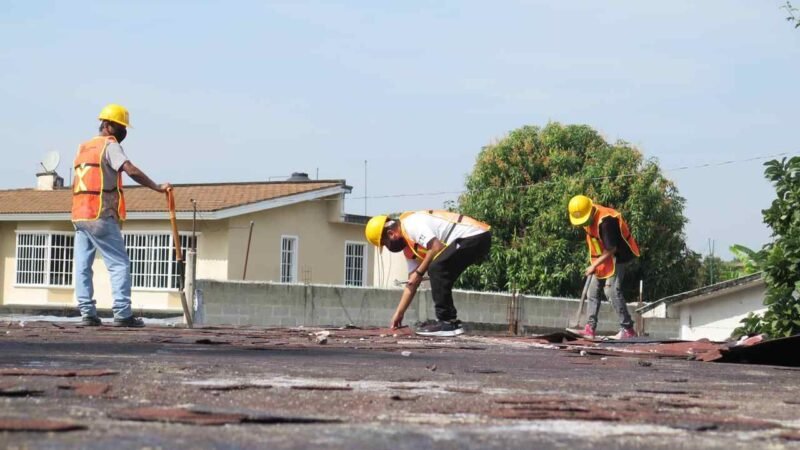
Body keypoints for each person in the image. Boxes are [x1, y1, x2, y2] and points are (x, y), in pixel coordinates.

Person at [72, 104, 170, 327]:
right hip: (100, 213)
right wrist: (156, 187)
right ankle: (123, 313)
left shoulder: (83, 147)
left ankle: (87, 313)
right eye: (120, 126)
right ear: (107, 125)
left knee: (82, 265)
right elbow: (130, 169)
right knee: (119, 264)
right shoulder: (110, 145)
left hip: (80, 214)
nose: (122, 131)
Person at [365, 210, 491, 337]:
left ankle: (446, 322)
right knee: (441, 272)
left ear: (391, 234)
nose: (388, 248)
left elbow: (436, 247)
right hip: (474, 239)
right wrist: (399, 313)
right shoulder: (409, 248)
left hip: (474, 235)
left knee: (437, 268)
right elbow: (411, 284)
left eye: (385, 244)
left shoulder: (410, 224)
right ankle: (451, 322)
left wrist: (419, 273)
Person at [568, 195, 640, 339]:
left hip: (619, 256)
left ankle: (628, 330)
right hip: (603, 258)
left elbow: (612, 249)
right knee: (592, 291)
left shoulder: (606, 222)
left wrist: (594, 265)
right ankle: (590, 328)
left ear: (590, 210)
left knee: (611, 290)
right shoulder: (587, 218)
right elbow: (596, 243)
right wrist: (595, 263)